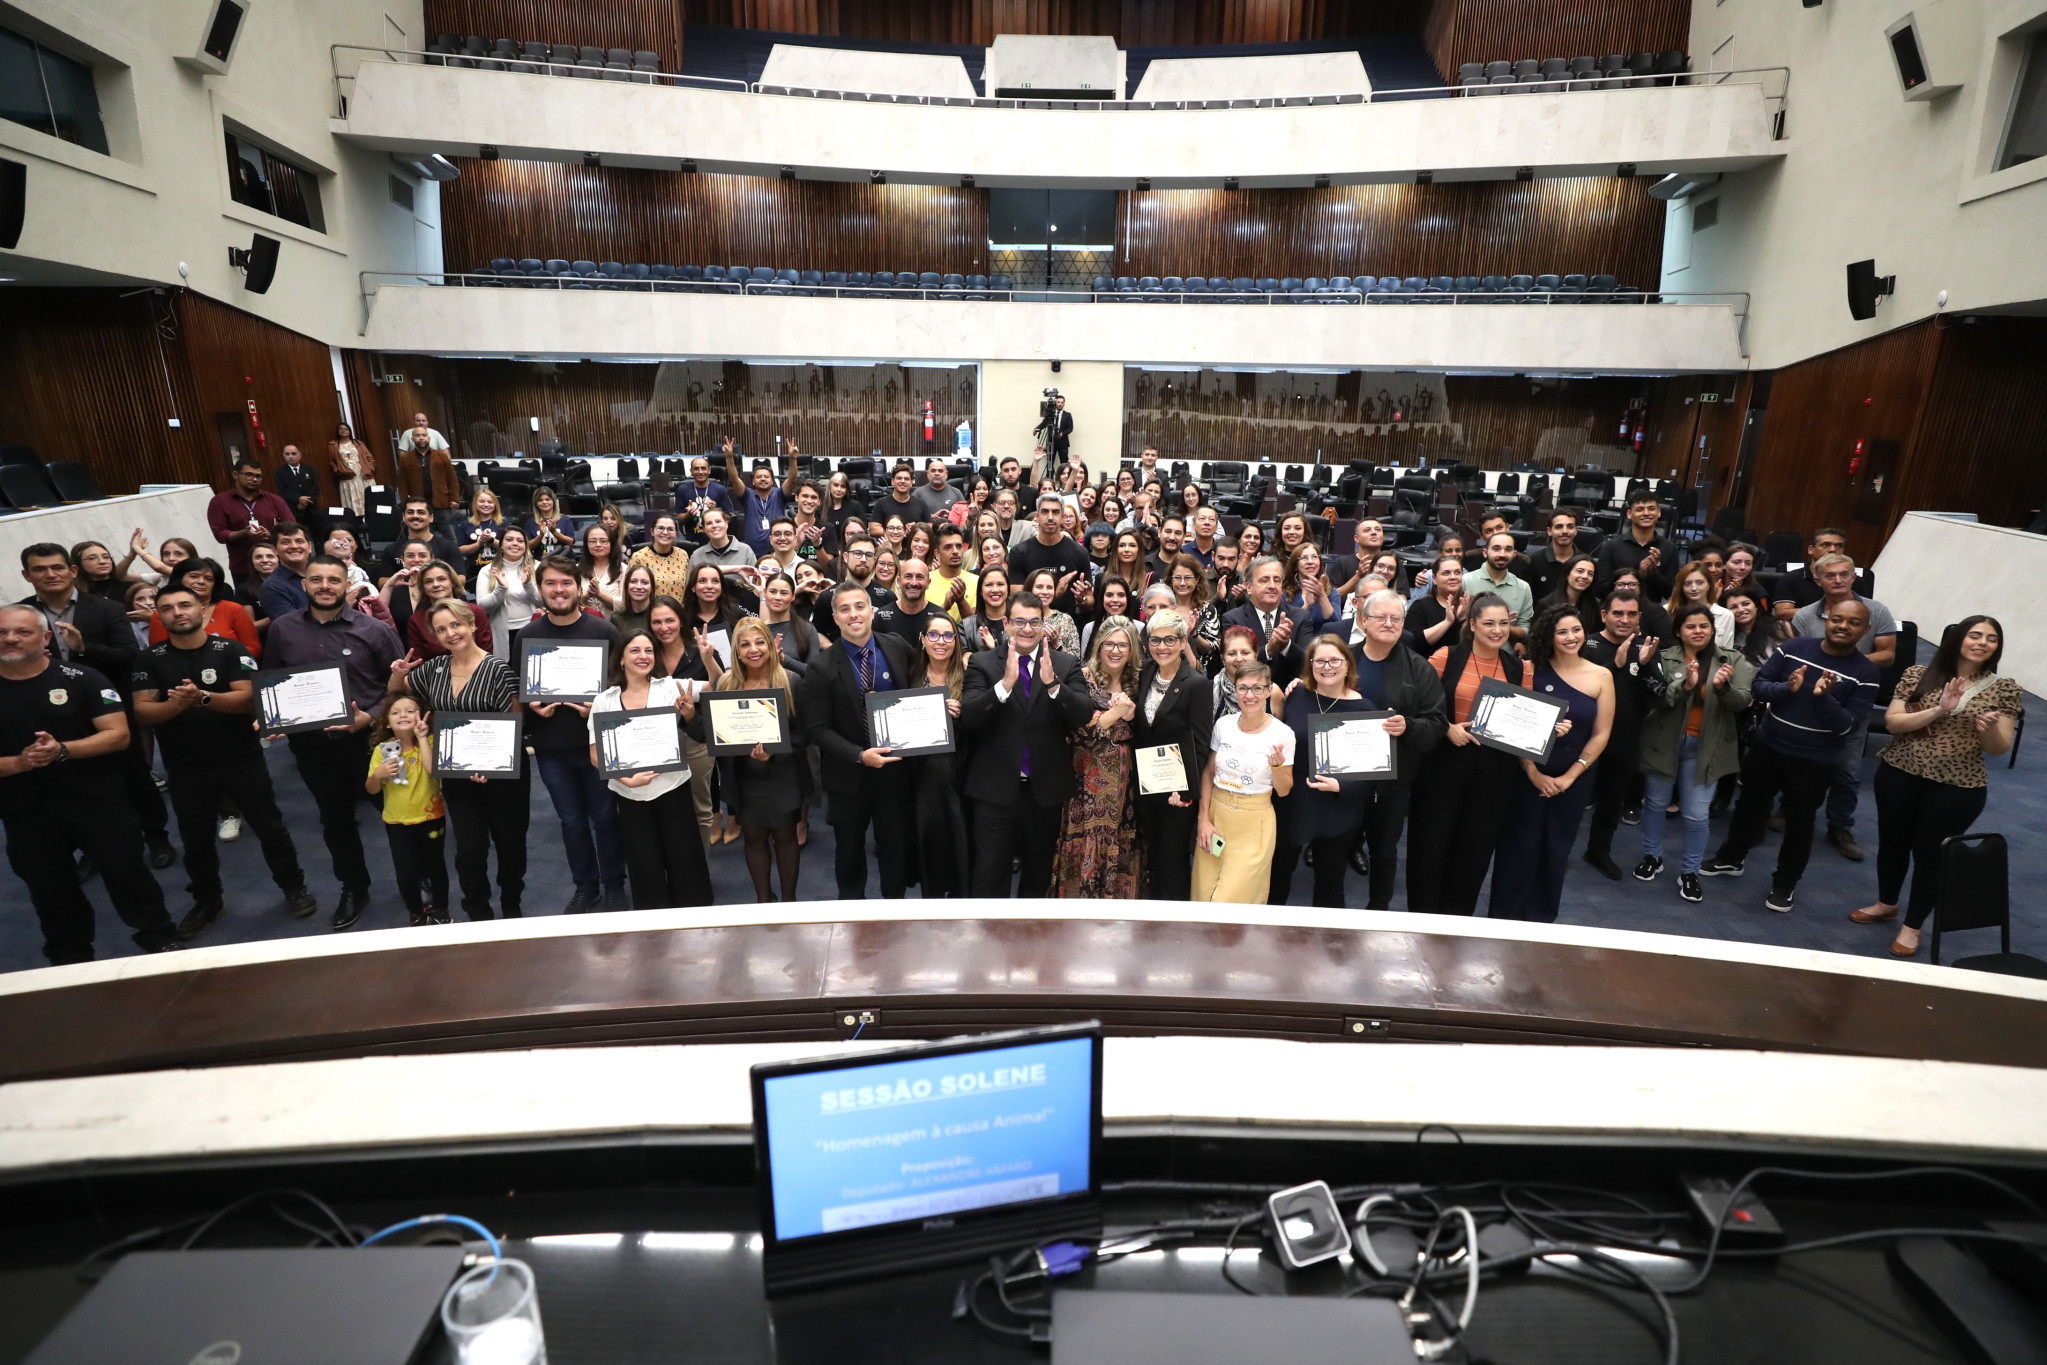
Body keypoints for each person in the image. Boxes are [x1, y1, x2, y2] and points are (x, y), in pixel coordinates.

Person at [132, 582, 314, 938]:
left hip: (240, 758)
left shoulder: (230, 650)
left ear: (202, 611)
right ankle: (208, 901)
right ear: (160, 616)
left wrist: (201, 698)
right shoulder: (149, 659)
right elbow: (142, 712)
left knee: (270, 828)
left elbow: (248, 700)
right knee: (195, 839)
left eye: (184, 605)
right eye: (167, 608)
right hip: (185, 766)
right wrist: (175, 705)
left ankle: (294, 887)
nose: (177, 613)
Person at [0, 603, 180, 963]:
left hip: (97, 803)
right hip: (26, 812)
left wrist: (63, 750)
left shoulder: (83, 678)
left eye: (22, 632)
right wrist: (19, 763)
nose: (10, 639)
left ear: (46, 638)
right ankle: (69, 957)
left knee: (128, 874)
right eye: (2, 633)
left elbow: (117, 736)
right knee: (49, 889)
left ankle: (160, 939)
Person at [1852, 616, 2021, 956]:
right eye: (1975, 635)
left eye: (1991, 638)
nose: (1982, 642)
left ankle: (1912, 926)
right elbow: (1893, 722)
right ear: (1958, 638)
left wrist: (1987, 727)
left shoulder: (2003, 689)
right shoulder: (1918, 674)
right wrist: (1940, 710)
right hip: (1900, 771)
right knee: (1893, 844)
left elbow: (1998, 747)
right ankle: (1887, 903)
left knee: (1930, 855)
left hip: (1957, 786)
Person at [1699, 599, 1880, 912]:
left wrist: (1823, 699)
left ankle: (1784, 884)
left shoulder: (1866, 673)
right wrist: (1787, 690)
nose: (1843, 626)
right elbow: (1758, 687)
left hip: (1814, 762)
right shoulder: (1794, 647)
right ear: (1826, 620)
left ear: (1865, 630)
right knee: (1748, 807)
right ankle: (1731, 858)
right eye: (1837, 619)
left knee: (1800, 824)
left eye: (1853, 623)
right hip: (1768, 747)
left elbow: (1848, 727)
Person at [264, 556, 405, 925]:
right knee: (335, 819)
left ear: (348, 585)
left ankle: (416, 879)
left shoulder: (374, 630)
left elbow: (401, 690)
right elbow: (273, 680)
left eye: (334, 580)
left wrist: (370, 717)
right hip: (313, 746)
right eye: (316, 579)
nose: (325, 585)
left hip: (376, 740)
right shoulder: (282, 628)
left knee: (400, 812)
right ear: (304, 585)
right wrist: (275, 715)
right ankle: (354, 887)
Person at [19, 542, 174, 869]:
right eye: (40, 569)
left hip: (109, 706)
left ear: (72, 571)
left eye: (57, 567)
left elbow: (129, 656)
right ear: (27, 575)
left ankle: (156, 836)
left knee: (133, 775)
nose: (51, 574)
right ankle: (93, 847)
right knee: (76, 784)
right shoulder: (20, 615)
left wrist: (84, 647)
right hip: (52, 713)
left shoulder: (106, 608)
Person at [388, 598, 528, 921]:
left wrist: (490, 767)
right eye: (441, 629)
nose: (450, 633)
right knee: (469, 849)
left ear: (471, 625)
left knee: (509, 845)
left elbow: (515, 727)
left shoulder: (498, 669)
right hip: (457, 778)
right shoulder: (433, 670)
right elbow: (397, 694)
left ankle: (511, 904)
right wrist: (398, 674)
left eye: (455, 625)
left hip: (504, 777)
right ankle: (477, 910)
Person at [960, 594, 1095, 897]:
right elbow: (969, 717)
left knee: (1038, 872)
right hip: (994, 791)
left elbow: (1083, 714)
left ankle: (1029, 940)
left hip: (1043, 791)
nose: (1027, 629)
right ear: (1006, 623)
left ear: (1043, 625)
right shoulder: (982, 663)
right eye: (1019, 621)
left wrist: (1053, 685)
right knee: (989, 871)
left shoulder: (1064, 663)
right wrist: (1004, 686)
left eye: (1035, 622)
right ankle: (989, 937)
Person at [1489, 604, 1614, 922]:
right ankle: (1502, 918)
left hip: (1574, 779)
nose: (1571, 637)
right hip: (1526, 776)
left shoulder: (1602, 675)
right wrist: (1533, 772)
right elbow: (1512, 725)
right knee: (1517, 847)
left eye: (1576, 630)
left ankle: (1541, 922)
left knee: (1556, 851)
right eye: (1562, 632)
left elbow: (1601, 735)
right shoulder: (1528, 670)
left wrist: (1571, 777)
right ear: (1549, 636)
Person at [1404, 595, 1522, 914]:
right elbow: (1416, 704)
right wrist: (1447, 728)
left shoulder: (1516, 665)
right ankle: (1423, 920)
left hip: (1494, 770)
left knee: (1475, 850)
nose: (1497, 630)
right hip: (1442, 764)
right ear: (1472, 624)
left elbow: (1522, 720)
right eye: (1489, 623)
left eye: (1504, 623)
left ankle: (1459, 922)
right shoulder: (1447, 656)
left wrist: (1551, 729)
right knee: (1430, 846)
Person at [521, 557, 627, 914]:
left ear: (578, 588)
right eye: (550, 583)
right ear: (541, 589)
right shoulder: (527, 636)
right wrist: (531, 705)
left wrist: (599, 706)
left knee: (606, 819)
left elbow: (622, 687)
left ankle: (614, 883)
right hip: (552, 748)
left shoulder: (603, 631)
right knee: (572, 822)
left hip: (598, 745)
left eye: (566, 582)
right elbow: (522, 692)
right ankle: (586, 885)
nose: (559, 590)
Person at [801, 583, 917, 898]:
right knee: (849, 850)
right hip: (848, 776)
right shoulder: (821, 667)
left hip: (894, 770)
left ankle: (895, 907)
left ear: (871, 611)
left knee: (895, 847)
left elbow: (919, 689)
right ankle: (853, 912)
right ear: (835, 618)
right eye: (845, 609)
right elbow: (817, 729)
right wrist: (860, 754)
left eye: (859, 607)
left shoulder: (897, 648)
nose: (854, 615)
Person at [1633, 603, 1753, 901]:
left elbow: (1742, 702)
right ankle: (1652, 857)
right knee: (1656, 804)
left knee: (1696, 816)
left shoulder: (1733, 660)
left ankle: (1690, 872)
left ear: (1713, 630)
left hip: (1707, 747)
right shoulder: (1663, 658)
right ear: (1678, 631)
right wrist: (1685, 685)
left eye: (1704, 626)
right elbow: (1657, 698)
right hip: (1664, 742)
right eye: (1690, 626)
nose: (1698, 631)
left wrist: (1723, 688)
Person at [591, 629, 714, 909]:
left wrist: (707, 658)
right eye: (634, 650)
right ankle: (654, 925)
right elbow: (596, 753)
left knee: (686, 861)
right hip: (630, 794)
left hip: (673, 788)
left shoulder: (669, 687)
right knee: (644, 864)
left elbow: (717, 685)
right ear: (620, 658)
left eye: (648, 650)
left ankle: (696, 924)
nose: (643, 656)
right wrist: (626, 780)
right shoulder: (605, 700)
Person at [1789, 553, 1898, 862]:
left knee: (1847, 771)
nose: (1837, 580)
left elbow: (1888, 654)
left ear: (1853, 578)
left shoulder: (1876, 611)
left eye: (1843, 574)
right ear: (1818, 580)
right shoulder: (1804, 617)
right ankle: (1790, 811)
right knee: (1799, 762)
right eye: (1830, 575)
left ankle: (1840, 827)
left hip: (1854, 701)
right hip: (1810, 701)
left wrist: (1846, 664)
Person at [1341, 590, 1448, 907]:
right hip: (1342, 780)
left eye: (1396, 618)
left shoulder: (1419, 669)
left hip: (1391, 784)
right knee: (1332, 852)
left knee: (1384, 854)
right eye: (1380, 617)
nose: (1388, 623)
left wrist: (1409, 727)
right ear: (1363, 620)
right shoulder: (1342, 659)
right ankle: (1329, 914)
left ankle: (1378, 911)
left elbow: (1438, 723)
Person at [1269, 636, 1375, 909]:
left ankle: (1328, 947)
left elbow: (1371, 774)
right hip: (1292, 803)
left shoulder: (1364, 708)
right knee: (1277, 877)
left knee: (1330, 885)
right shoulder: (1296, 694)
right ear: (1310, 665)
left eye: (1335, 660)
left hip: (1336, 810)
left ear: (1348, 665)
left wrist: (1342, 787)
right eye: (1320, 661)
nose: (1327, 667)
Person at [714, 617, 811, 902]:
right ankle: (763, 900)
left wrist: (776, 750)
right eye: (745, 644)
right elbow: (717, 734)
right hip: (744, 778)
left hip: (782, 776)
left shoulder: (790, 681)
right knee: (754, 838)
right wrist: (693, 717)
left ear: (770, 646)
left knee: (785, 838)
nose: (753, 650)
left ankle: (790, 901)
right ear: (737, 651)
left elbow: (806, 734)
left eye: (759, 642)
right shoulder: (726, 684)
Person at [1053, 615, 1143, 898]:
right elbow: (1076, 732)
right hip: (1087, 779)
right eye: (1109, 644)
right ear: (1099, 646)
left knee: (1122, 837)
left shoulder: (1139, 681)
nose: (1115, 651)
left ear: (1132, 650)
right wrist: (1114, 715)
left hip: (1126, 785)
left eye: (1123, 645)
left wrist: (1132, 715)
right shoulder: (1082, 677)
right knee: (1086, 838)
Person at [1579, 589, 1665, 880]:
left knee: (1611, 802)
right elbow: (1579, 689)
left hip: (1625, 739)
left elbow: (1661, 693)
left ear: (1639, 617)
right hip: (1584, 738)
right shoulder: (1586, 643)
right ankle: (1553, 849)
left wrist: (1642, 666)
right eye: (1618, 613)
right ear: (1605, 615)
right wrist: (1615, 665)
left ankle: (1598, 852)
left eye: (1631, 614)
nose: (1624, 619)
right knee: (1570, 797)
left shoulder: (1646, 646)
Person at [1193, 660, 1293, 904]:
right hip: (1217, 818)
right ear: (1235, 690)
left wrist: (1278, 766)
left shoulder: (1282, 734)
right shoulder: (1223, 725)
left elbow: (1284, 790)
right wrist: (1203, 820)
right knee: (1203, 895)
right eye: (1243, 688)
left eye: (1258, 688)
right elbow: (1208, 773)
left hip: (1253, 824)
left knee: (1231, 902)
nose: (1250, 695)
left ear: (1269, 691)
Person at [1130, 607, 1210, 900]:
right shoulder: (1144, 674)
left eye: (1169, 640)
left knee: (1172, 858)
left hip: (1177, 791)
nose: (1161, 647)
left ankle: (1175, 926)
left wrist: (1186, 790)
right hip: (1146, 784)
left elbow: (1201, 745)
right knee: (1151, 854)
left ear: (1182, 641)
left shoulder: (1197, 684)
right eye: (1155, 640)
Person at [364, 694, 447, 925]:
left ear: (421, 717)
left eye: (410, 711)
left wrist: (422, 737)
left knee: (436, 866)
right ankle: (416, 912)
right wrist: (378, 775)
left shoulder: (429, 743)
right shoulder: (383, 751)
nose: (403, 715)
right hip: (397, 822)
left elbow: (433, 771)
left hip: (432, 817)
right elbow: (370, 790)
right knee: (406, 874)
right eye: (396, 712)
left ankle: (440, 910)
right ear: (388, 723)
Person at [1220, 555, 1308, 686]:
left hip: (1289, 696)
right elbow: (1233, 665)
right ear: (1249, 587)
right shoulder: (1233, 619)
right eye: (1264, 580)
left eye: (1277, 580)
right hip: (1248, 695)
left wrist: (1286, 646)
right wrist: (1268, 650)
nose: (1272, 586)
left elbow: (1309, 663)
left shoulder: (1300, 617)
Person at [206, 459, 293, 580]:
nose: (255, 479)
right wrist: (244, 534)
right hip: (243, 567)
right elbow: (220, 534)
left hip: (275, 565)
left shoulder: (274, 500)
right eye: (249, 475)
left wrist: (271, 535)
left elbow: (291, 527)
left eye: (258, 476)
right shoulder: (220, 501)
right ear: (235, 475)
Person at [1774, 527, 1877, 618]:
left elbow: (1865, 613)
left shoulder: (1855, 581)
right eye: (1825, 545)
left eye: (1838, 546)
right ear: (1811, 549)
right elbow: (1783, 613)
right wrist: (1825, 611)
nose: (1832, 550)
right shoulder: (1791, 578)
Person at [1009, 493, 1093, 604]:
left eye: (1055, 512)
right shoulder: (1019, 552)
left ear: (1063, 517)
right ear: (1037, 516)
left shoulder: (1079, 552)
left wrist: (1082, 599)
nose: (1050, 517)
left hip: (1068, 619)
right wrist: (1054, 594)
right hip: (1031, 619)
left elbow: (1090, 601)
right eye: (1045, 512)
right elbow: (1017, 599)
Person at [1593, 490, 1676, 601]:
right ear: (1629, 514)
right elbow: (1600, 590)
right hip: (1616, 609)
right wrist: (1636, 575)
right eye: (1640, 509)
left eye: (1651, 509)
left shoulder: (1669, 548)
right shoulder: (1611, 546)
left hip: (1651, 612)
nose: (1646, 513)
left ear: (1659, 512)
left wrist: (1652, 574)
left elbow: (1672, 593)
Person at [404, 560, 492, 660]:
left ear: (452, 582)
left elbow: (486, 653)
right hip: (434, 674)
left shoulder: (475, 612)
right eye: (428, 581)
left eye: (441, 579)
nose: (435, 584)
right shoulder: (416, 620)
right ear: (423, 587)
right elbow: (418, 661)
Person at [376, 497, 463, 584]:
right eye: (410, 512)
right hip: (404, 595)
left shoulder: (449, 547)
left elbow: (461, 580)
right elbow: (382, 582)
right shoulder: (391, 549)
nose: (415, 516)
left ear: (431, 518)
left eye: (421, 512)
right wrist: (406, 580)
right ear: (403, 517)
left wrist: (430, 582)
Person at [1465, 532, 1534, 635]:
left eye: (1508, 549)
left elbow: (1525, 628)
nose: (1502, 554)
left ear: (1514, 554)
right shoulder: (1466, 581)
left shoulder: (1523, 587)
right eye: (1496, 549)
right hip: (1472, 649)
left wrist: (1504, 626)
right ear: (1485, 552)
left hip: (1507, 650)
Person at [1402, 554, 1466, 654]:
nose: (1453, 577)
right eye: (1446, 573)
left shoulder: (1471, 604)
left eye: (1457, 572)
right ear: (1434, 579)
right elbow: (1414, 642)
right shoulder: (1420, 606)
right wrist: (1448, 622)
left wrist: (1462, 620)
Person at [1665, 560, 1734, 648]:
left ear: (1709, 585)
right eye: (1688, 584)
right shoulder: (1667, 611)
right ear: (1681, 587)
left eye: (1700, 583)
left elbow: (1727, 652)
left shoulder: (1725, 615)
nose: (1694, 588)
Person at [390, 424, 461, 510]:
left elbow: (452, 479)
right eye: (417, 435)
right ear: (412, 439)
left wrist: (455, 499)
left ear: (429, 438)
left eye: (424, 435)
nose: (421, 438)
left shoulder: (441, 456)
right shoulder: (405, 458)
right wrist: (405, 502)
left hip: (442, 503)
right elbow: (402, 483)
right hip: (417, 505)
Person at [629, 513, 695, 602]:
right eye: (660, 528)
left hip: (679, 612)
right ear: (652, 531)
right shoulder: (639, 557)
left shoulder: (683, 555)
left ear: (676, 534)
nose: (665, 532)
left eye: (670, 529)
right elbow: (629, 590)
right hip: (651, 613)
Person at [257, 522, 315, 621]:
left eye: (299, 541)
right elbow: (294, 626)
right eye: (285, 542)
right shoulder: (272, 587)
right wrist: (339, 608)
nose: (294, 546)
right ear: (274, 550)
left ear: (309, 547)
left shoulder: (326, 574)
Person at [1021, 567, 1083, 656]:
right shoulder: (1019, 618)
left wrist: (1056, 645)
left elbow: (1075, 661)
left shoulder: (1065, 619)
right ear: (1030, 589)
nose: (1045, 592)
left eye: (1049, 587)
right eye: (1039, 587)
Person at [1524, 509, 1582, 602]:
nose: (1565, 531)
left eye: (1570, 527)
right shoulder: (1535, 561)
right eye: (1559, 527)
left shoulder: (1585, 563)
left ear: (1576, 530)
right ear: (1549, 531)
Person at [454, 487, 509, 580]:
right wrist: (478, 544)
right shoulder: (465, 525)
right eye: (482, 501)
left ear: (495, 504)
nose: (486, 504)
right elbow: (460, 550)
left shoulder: (504, 524)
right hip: (474, 571)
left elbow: (509, 547)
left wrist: (491, 540)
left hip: (500, 569)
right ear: (475, 503)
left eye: (490, 502)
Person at [578, 521, 625, 617]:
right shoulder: (576, 570)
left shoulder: (623, 570)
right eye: (592, 541)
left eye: (603, 541)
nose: (598, 544)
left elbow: (626, 605)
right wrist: (587, 595)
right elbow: (570, 603)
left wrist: (599, 594)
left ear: (611, 544)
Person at [274, 443, 323, 533]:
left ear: (300, 455)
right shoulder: (280, 472)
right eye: (287, 454)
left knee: (318, 535)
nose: (290, 456)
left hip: (312, 508)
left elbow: (316, 487)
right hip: (294, 509)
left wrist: (305, 501)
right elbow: (283, 490)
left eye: (293, 454)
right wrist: (298, 498)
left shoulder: (311, 469)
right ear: (283, 456)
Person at [961, 566, 1011, 653]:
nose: (995, 589)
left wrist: (994, 649)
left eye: (1000, 584)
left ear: (1008, 589)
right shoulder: (965, 627)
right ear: (980, 591)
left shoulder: (1021, 624)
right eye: (989, 585)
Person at [328, 421, 369, 517]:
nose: (343, 431)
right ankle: (357, 521)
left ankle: (368, 521)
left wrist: (369, 468)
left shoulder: (358, 443)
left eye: (345, 429)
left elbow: (369, 457)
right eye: (340, 429)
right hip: (346, 475)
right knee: (351, 501)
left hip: (361, 474)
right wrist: (336, 469)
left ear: (350, 431)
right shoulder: (333, 445)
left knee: (365, 499)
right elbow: (331, 460)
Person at [523, 486, 577, 556]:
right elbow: (527, 547)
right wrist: (540, 536)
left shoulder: (565, 519)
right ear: (536, 504)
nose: (544, 502)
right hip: (540, 561)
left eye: (547, 499)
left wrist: (554, 532)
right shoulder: (530, 522)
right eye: (540, 500)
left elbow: (570, 542)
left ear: (553, 502)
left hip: (564, 561)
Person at [909, 457, 963, 523]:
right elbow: (911, 516)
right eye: (933, 471)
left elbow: (963, 517)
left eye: (940, 471)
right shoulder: (918, 493)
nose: (937, 473)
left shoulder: (956, 493)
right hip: (927, 532)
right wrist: (930, 517)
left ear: (946, 474)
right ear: (928, 474)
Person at [613, 562, 658, 640]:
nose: (639, 586)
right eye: (633, 581)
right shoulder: (617, 619)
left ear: (652, 588)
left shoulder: (659, 618)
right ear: (627, 586)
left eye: (645, 582)